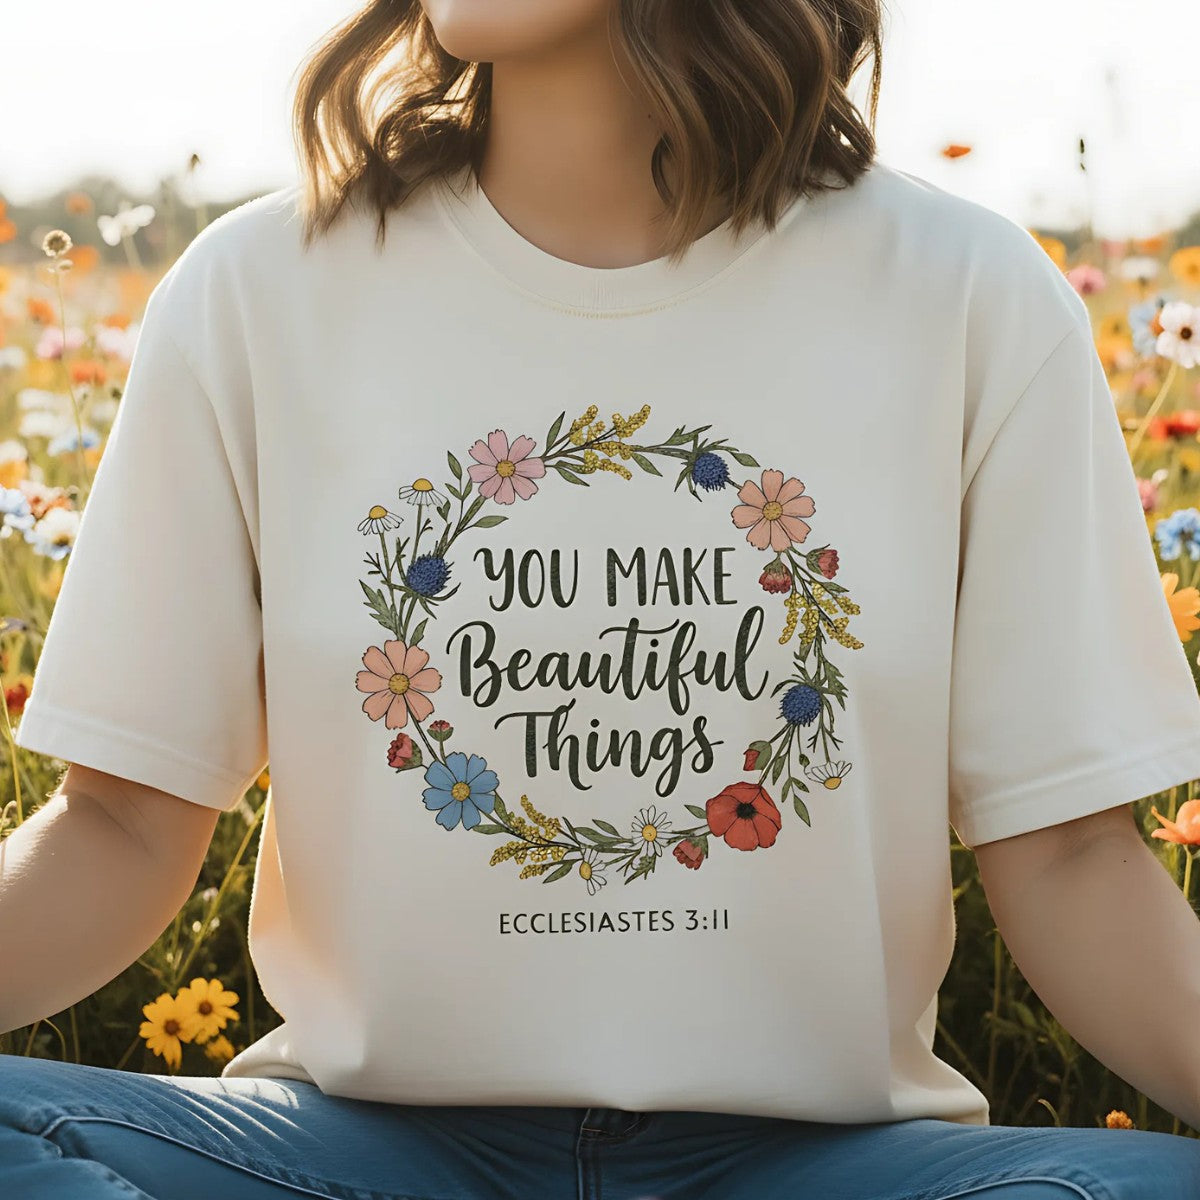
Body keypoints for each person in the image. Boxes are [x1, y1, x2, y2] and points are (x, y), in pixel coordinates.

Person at [4, 0, 1200, 1197]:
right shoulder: (258, 291)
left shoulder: (967, 294)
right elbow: (120, 826)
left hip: (830, 1168)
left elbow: (1073, 854)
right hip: (361, 1155)